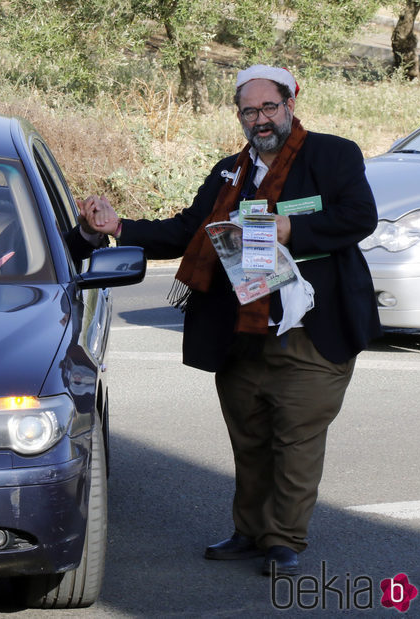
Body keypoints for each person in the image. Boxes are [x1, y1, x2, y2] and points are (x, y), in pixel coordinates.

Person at [74, 65, 382, 576]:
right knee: (250, 436)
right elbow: (187, 231)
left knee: (296, 438)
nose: (260, 119)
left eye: (268, 107)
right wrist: (118, 227)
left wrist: (291, 228)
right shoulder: (228, 172)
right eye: (248, 110)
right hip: (240, 331)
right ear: (238, 115)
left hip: (312, 331)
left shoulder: (333, 154)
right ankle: (249, 531)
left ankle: (284, 540)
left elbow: (359, 217)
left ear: (289, 104)